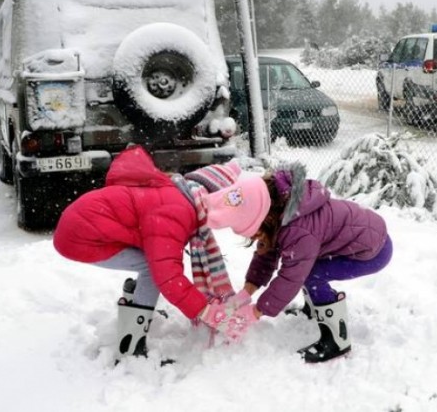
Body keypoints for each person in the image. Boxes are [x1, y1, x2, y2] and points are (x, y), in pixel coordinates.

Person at [52, 145, 270, 363]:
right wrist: (206, 311)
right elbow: (168, 277)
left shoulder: (177, 194)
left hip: (83, 224)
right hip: (80, 236)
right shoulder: (176, 211)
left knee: (153, 261)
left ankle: (136, 301)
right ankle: (131, 346)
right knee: (152, 268)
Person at [204, 162, 392, 363]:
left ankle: (337, 341)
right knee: (306, 266)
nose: (257, 238)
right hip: (360, 237)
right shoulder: (280, 212)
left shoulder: (298, 231)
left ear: (265, 220)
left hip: (373, 251)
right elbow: (267, 252)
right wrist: (246, 292)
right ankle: (313, 308)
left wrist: (255, 312)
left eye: (256, 233)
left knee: (310, 273)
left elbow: (291, 278)